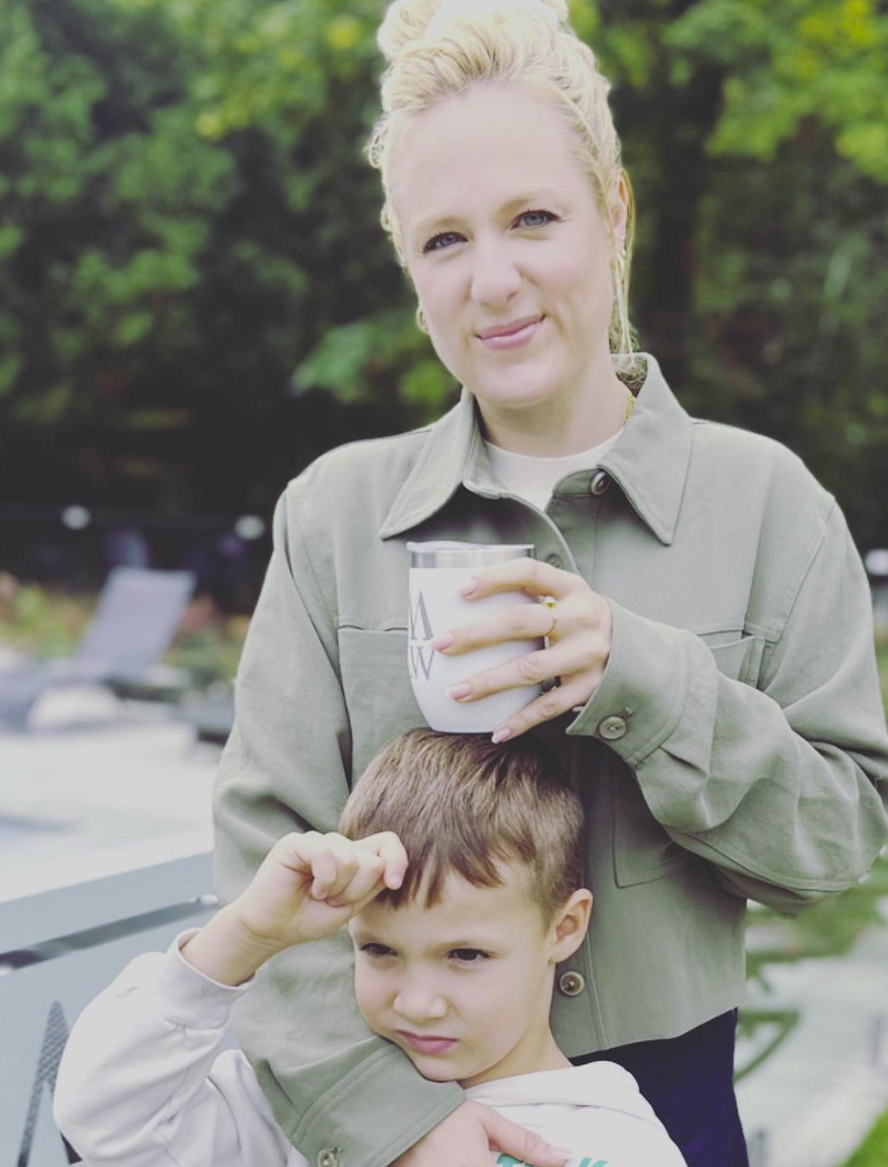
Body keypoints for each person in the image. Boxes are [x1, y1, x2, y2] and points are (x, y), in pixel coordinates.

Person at [212, 1, 888, 1165]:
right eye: (445, 240)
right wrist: (401, 1128)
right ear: (409, 269)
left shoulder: (771, 504)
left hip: (673, 1116)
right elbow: (259, 862)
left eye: (534, 218)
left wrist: (650, 684)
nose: (495, 280)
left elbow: (834, 851)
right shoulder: (333, 514)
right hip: (395, 1121)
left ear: (614, 217)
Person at [54, 730, 686, 1167]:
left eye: (465, 955)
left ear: (565, 928)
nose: (416, 1003)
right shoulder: (295, 1105)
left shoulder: (611, 1144)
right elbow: (110, 1122)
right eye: (379, 951)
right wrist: (244, 935)